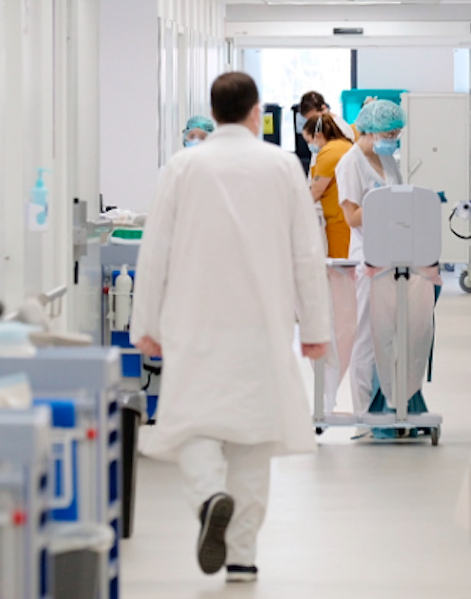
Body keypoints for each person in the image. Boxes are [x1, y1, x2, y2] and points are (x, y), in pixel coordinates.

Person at [130, 72, 330, 584]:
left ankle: (207, 498)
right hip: (262, 319)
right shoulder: (282, 166)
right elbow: (306, 253)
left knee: (193, 422)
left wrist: (145, 324)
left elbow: (154, 253)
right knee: (253, 436)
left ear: (213, 113)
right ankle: (241, 553)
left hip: (192, 318)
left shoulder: (182, 165)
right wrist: (315, 326)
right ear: (253, 111)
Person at [334, 100, 406, 415]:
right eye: (390, 132)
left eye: (397, 133)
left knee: (392, 334)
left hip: (396, 256)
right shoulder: (351, 163)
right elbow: (352, 216)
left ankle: (391, 404)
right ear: (372, 131)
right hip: (368, 258)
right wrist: (389, 207)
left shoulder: (387, 158)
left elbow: (398, 195)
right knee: (366, 336)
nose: (394, 138)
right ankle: (364, 411)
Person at [303, 114, 354, 259]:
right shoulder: (344, 145)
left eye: (309, 141)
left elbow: (316, 191)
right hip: (348, 216)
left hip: (340, 220)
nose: (310, 146)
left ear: (318, 135)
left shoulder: (330, 152)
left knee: (341, 271)